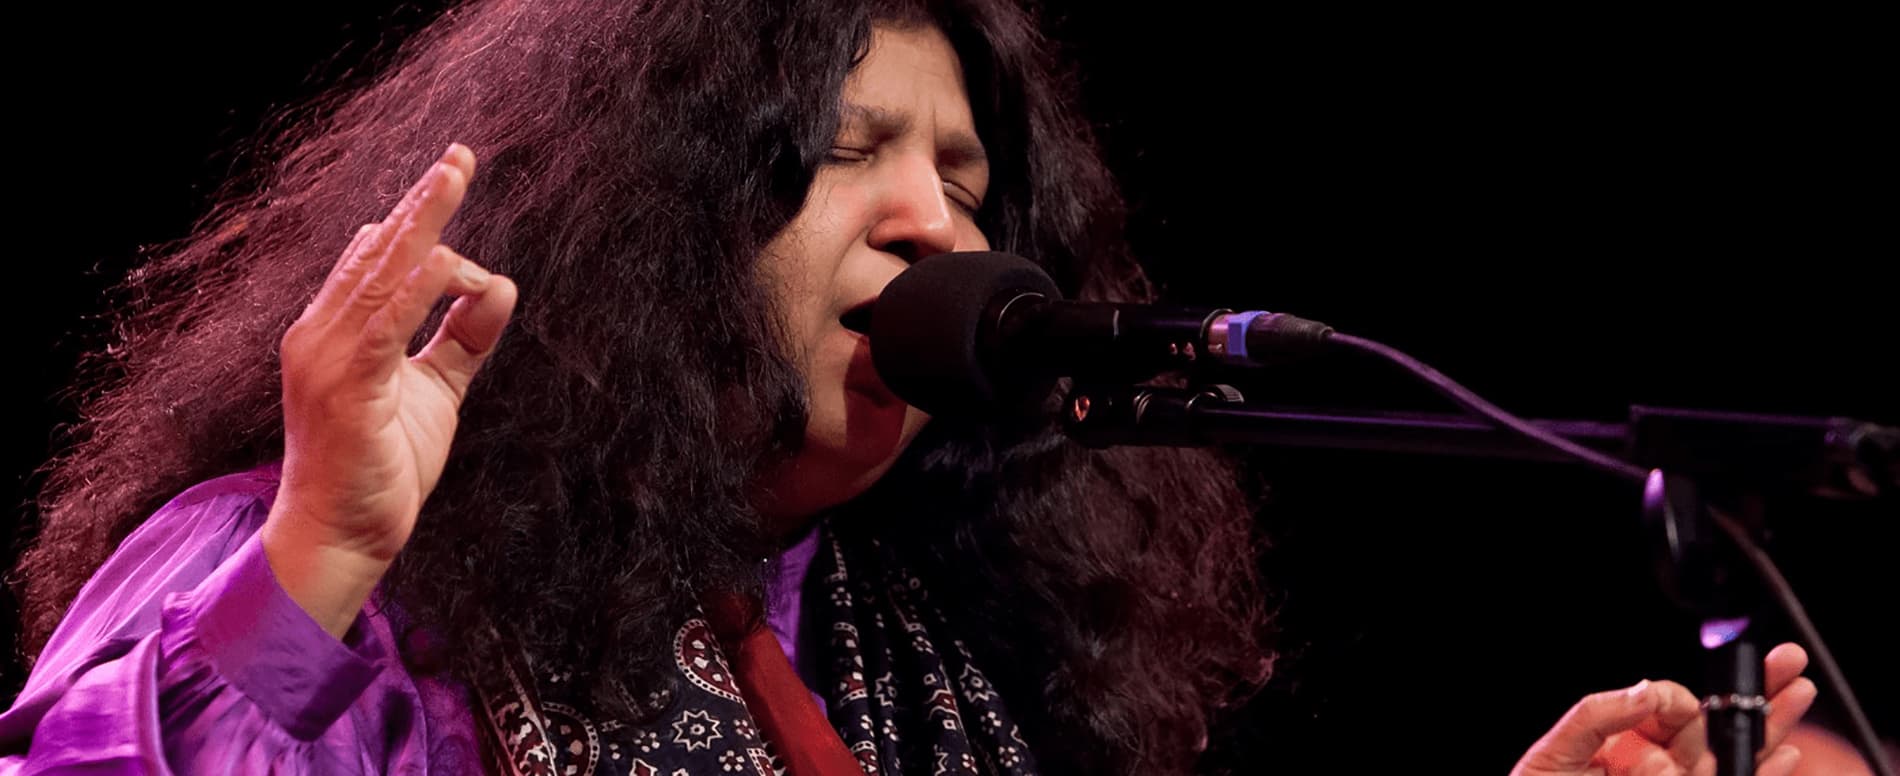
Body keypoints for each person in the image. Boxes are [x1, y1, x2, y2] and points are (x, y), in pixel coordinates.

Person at [1, 0, 1816, 773]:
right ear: (648, 217)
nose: (933, 224)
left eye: (964, 177)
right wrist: (320, 555)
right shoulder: (320, 561)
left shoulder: (949, 655)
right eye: (847, 151)